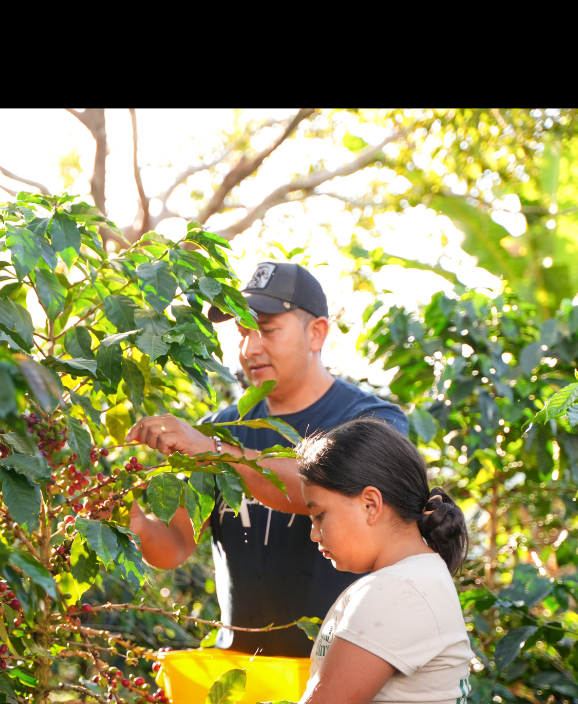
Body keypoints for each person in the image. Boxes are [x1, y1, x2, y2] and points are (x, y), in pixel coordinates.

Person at [152, 418, 506, 704]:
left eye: (319, 516)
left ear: (370, 504)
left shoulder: (401, 588)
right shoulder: (401, 580)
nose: (314, 534)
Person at [127, 261, 408, 656]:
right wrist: (136, 524)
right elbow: (175, 544)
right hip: (241, 673)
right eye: (243, 332)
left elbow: (317, 487)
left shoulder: (373, 422)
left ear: (317, 333)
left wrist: (214, 451)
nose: (249, 348)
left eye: (267, 330)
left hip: (342, 675)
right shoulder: (220, 431)